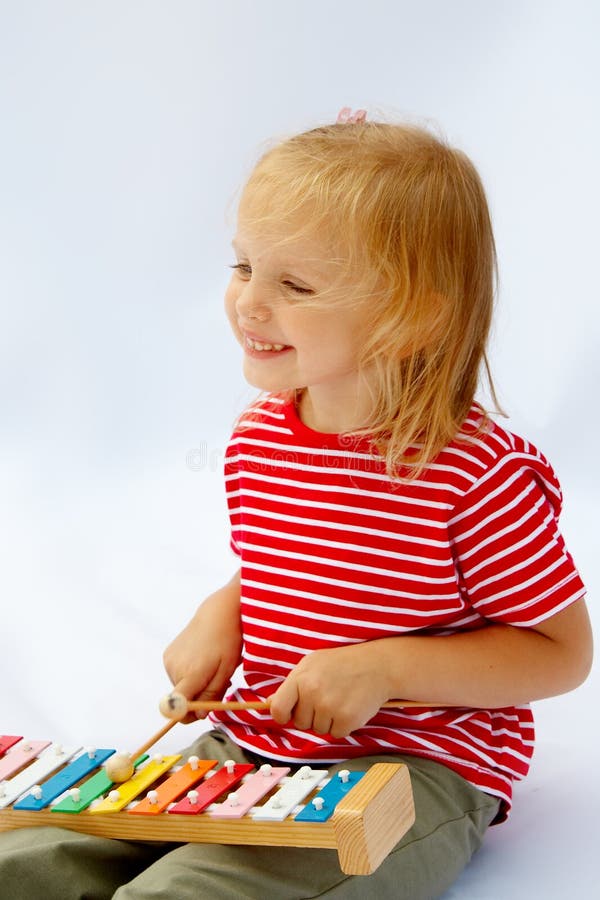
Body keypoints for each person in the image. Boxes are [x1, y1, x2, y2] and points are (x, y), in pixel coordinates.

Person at [0, 107, 592, 899]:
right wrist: (229, 611)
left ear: (412, 315)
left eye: (295, 284)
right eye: (244, 267)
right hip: (251, 747)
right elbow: (296, 567)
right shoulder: (260, 440)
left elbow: (558, 652)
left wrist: (383, 668)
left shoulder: (476, 474)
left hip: (412, 771)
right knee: (26, 860)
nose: (249, 302)